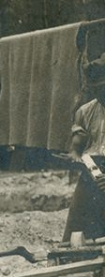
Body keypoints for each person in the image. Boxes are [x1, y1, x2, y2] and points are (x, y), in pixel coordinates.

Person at [63, 52, 105, 241]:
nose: (100, 94)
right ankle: (77, 258)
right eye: (95, 90)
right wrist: (74, 153)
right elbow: (78, 142)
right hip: (93, 168)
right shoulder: (86, 110)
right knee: (79, 218)